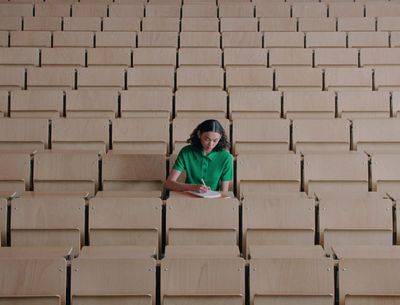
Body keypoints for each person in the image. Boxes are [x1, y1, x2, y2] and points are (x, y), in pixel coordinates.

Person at [165, 119, 233, 193]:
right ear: (199, 134)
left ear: (220, 138)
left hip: (213, 200)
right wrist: (193, 187)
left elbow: (224, 192)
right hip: (188, 198)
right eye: (207, 139)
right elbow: (169, 184)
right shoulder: (186, 152)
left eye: (215, 140)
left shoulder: (226, 157)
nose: (211, 144)